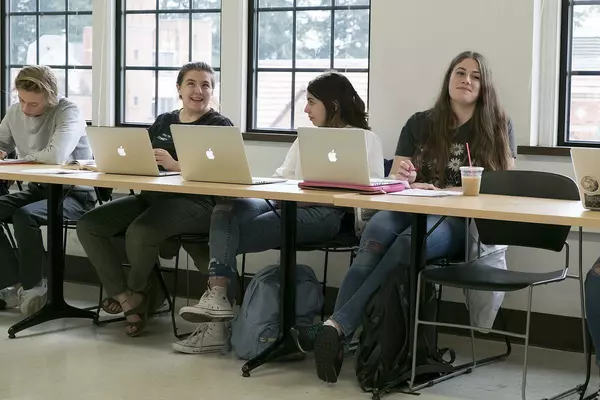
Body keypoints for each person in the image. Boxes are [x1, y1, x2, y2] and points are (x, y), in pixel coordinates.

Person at [290, 51, 517, 383]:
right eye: (460, 73)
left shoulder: (497, 124)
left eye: (476, 76)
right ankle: (338, 331)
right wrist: (408, 177)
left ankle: (337, 327)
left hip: (460, 223)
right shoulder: (420, 122)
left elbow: (505, 185)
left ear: (485, 86)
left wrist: (456, 191)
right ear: (448, 79)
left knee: (410, 243)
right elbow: (395, 176)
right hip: (411, 206)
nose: (467, 80)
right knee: (376, 231)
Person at [171, 71, 384, 354]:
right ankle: (218, 298)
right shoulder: (307, 137)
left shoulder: (364, 139)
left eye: (311, 102)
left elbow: (370, 198)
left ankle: (217, 325)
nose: (306, 109)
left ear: (333, 104)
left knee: (226, 236)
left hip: (326, 216)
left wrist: (313, 197)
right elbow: (283, 177)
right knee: (226, 206)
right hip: (284, 202)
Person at [76, 61, 233, 337]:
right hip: (151, 198)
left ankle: (138, 292)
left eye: (205, 85)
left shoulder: (219, 124)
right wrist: (112, 162)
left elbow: (224, 170)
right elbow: (139, 156)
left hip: (197, 204)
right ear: (179, 89)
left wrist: (175, 165)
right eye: (191, 84)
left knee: (141, 231)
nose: (198, 91)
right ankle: (126, 298)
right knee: (89, 224)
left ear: (212, 90)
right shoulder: (164, 120)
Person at [0, 65, 95, 316]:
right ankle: (14, 283)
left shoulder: (69, 112)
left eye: (33, 104)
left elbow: (56, 156)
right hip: (39, 189)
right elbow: (1, 142)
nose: (25, 109)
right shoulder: (15, 112)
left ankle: (33, 288)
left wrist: (18, 159)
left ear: (51, 97)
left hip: (75, 193)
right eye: (21, 100)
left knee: (25, 216)